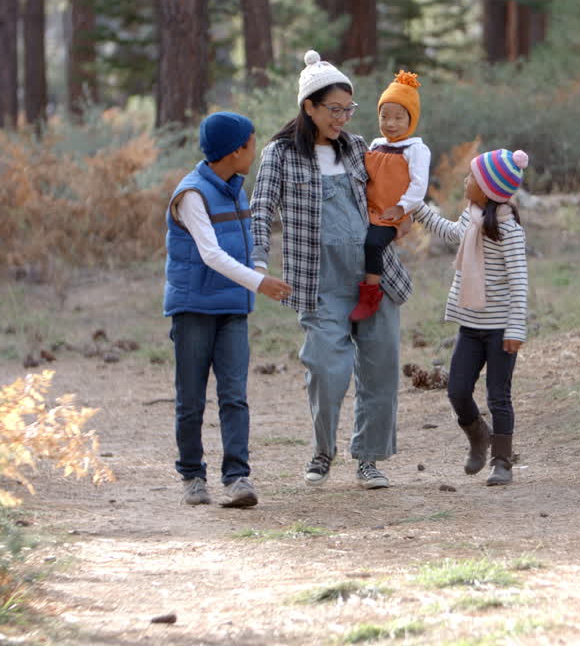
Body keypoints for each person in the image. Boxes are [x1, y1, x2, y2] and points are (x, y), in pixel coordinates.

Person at [250, 50, 413, 489]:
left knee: (380, 369)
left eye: (348, 109)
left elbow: (393, 196)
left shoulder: (360, 148)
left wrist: (408, 219)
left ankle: (369, 458)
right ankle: (324, 449)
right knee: (327, 368)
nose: (343, 118)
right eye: (334, 110)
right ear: (309, 107)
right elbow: (261, 208)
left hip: (373, 277)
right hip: (319, 283)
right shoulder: (279, 154)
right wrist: (259, 263)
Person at [164, 112, 293, 508]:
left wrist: (259, 269)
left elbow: (249, 240)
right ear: (235, 150)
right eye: (252, 144)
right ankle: (192, 476)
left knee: (234, 395)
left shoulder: (235, 187)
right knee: (191, 398)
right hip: (194, 309)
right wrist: (260, 283)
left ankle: (237, 478)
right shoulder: (191, 195)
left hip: (233, 308)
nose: (254, 152)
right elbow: (211, 255)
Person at [412, 149, 529, 486]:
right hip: (470, 324)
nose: (466, 181)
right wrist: (418, 208)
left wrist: (516, 326)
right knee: (457, 390)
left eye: (471, 177)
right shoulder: (472, 216)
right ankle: (479, 434)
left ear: (489, 188)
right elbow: (450, 232)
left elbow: (519, 280)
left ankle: (502, 461)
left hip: (499, 329)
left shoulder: (509, 230)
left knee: (498, 395)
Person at [350, 70, 430, 322]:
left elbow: (419, 185)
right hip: (369, 207)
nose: (390, 123)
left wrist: (402, 208)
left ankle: (370, 295)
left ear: (411, 120)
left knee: (373, 244)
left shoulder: (415, 149)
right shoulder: (374, 144)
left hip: (391, 213)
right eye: (385, 116)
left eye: (398, 117)